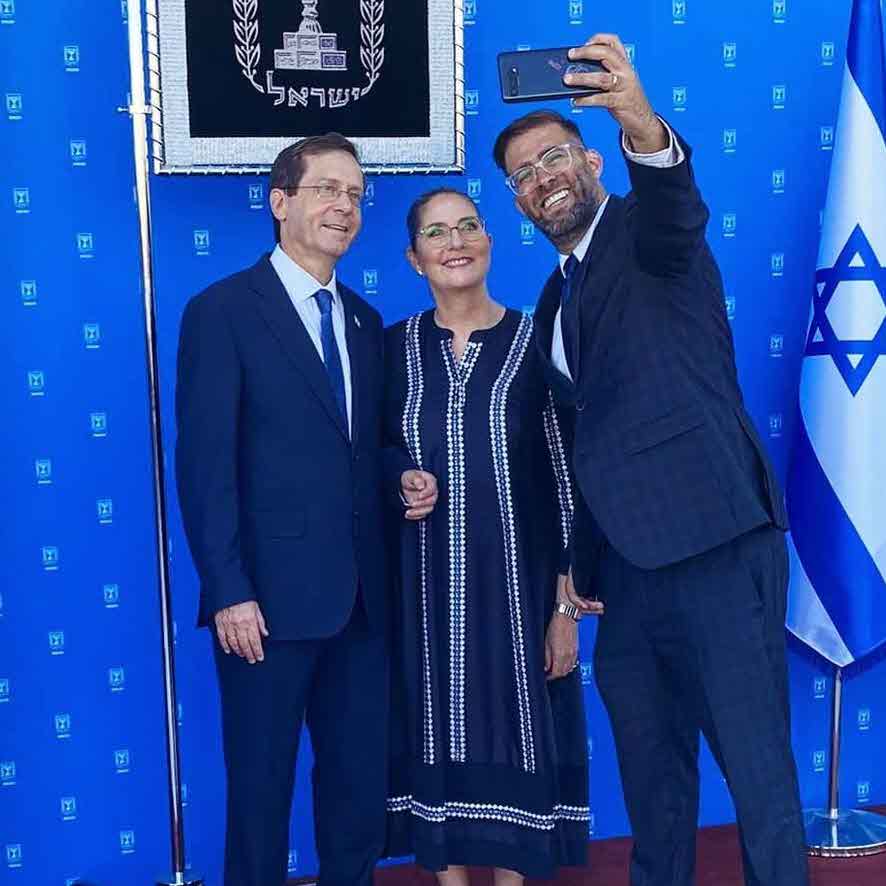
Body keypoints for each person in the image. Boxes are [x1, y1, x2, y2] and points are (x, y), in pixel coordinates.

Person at [493, 33, 810, 886]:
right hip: (623, 579)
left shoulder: (646, 232)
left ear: (593, 160)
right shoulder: (553, 298)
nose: (542, 179)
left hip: (715, 547)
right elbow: (587, 440)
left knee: (757, 774)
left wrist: (640, 118)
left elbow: (674, 197)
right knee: (652, 787)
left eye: (553, 157)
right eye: (522, 175)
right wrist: (577, 569)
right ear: (518, 202)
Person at [174, 133, 437, 886]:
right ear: (280, 201)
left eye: (355, 194)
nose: (344, 206)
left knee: (356, 792)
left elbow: (365, 446)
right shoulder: (222, 311)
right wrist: (228, 590)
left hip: (361, 605)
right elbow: (205, 466)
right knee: (260, 792)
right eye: (327, 189)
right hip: (264, 606)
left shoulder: (363, 320)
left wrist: (401, 476)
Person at [384, 187, 600, 885]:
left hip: (519, 593)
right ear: (414, 259)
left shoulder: (538, 342)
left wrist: (565, 607)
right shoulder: (392, 349)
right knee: (430, 730)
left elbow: (569, 478)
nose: (455, 242)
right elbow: (371, 455)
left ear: (490, 242)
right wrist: (398, 477)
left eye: (468, 226)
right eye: (437, 233)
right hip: (422, 597)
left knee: (521, 734)